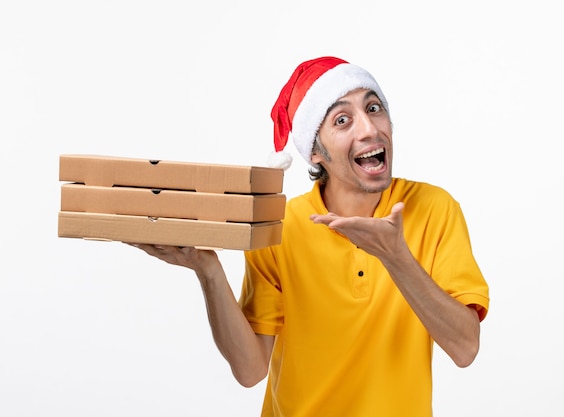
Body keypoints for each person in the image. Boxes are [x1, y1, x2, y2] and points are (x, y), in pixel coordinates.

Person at [130, 56, 489, 417]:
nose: (369, 129)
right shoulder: (280, 225)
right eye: (343, 120)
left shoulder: (434, 209)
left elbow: (465, 348)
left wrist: (397, 258)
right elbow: (250, 370)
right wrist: (206, 269)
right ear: (316, 151)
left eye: (374, 107)